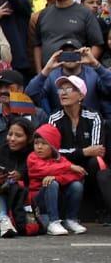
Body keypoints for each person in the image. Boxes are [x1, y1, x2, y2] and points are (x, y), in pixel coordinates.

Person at [47, 73, 111, 223]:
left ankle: (101, 208)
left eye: (69, 89)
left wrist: (75, 152)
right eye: (61, 89)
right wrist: (83, 151)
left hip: (88, 166)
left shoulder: (93, 116)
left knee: (96, 162)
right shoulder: (54, 118)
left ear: (81, 95)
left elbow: (97, 150)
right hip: (64, 165)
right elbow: (52, 151)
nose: (63, 93)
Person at [32, 0, 107, 69]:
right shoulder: (43, 14)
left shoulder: (85, 13)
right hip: (48, 74)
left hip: (77, 74)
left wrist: (84, 69)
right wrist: (40, 73)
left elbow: (97, 45)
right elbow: (38, 45)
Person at [27, 123, 87, 236]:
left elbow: (79, 175)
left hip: (58, 200)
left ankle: (71, 219)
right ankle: (53, 222)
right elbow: (44, 170)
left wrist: (57, 177)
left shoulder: (61, 159)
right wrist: (68, 167)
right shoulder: (32, 157)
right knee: (51, 183)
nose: (39, 147)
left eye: (44, 143)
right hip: (39, 202)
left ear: (53, 146)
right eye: (36, 143)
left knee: (76, 185)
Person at [26, 43, 105, 115]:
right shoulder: (52, 76)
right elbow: (30, 94)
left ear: (81, 55)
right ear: (59, 56)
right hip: (60, 122)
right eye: (66, 54)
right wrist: (47, 69)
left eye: (73, 54)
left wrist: (95, 63)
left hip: (91, 121)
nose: (69, 57)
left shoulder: (93, 74)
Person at [0, 116, 34, 236]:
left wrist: (22, 175)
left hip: (27, 199)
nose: (12, 139)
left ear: (29, 138)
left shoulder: (34, 153)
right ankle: (4, 219)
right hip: (3, 196)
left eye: (18, 136)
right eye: (10, 134)